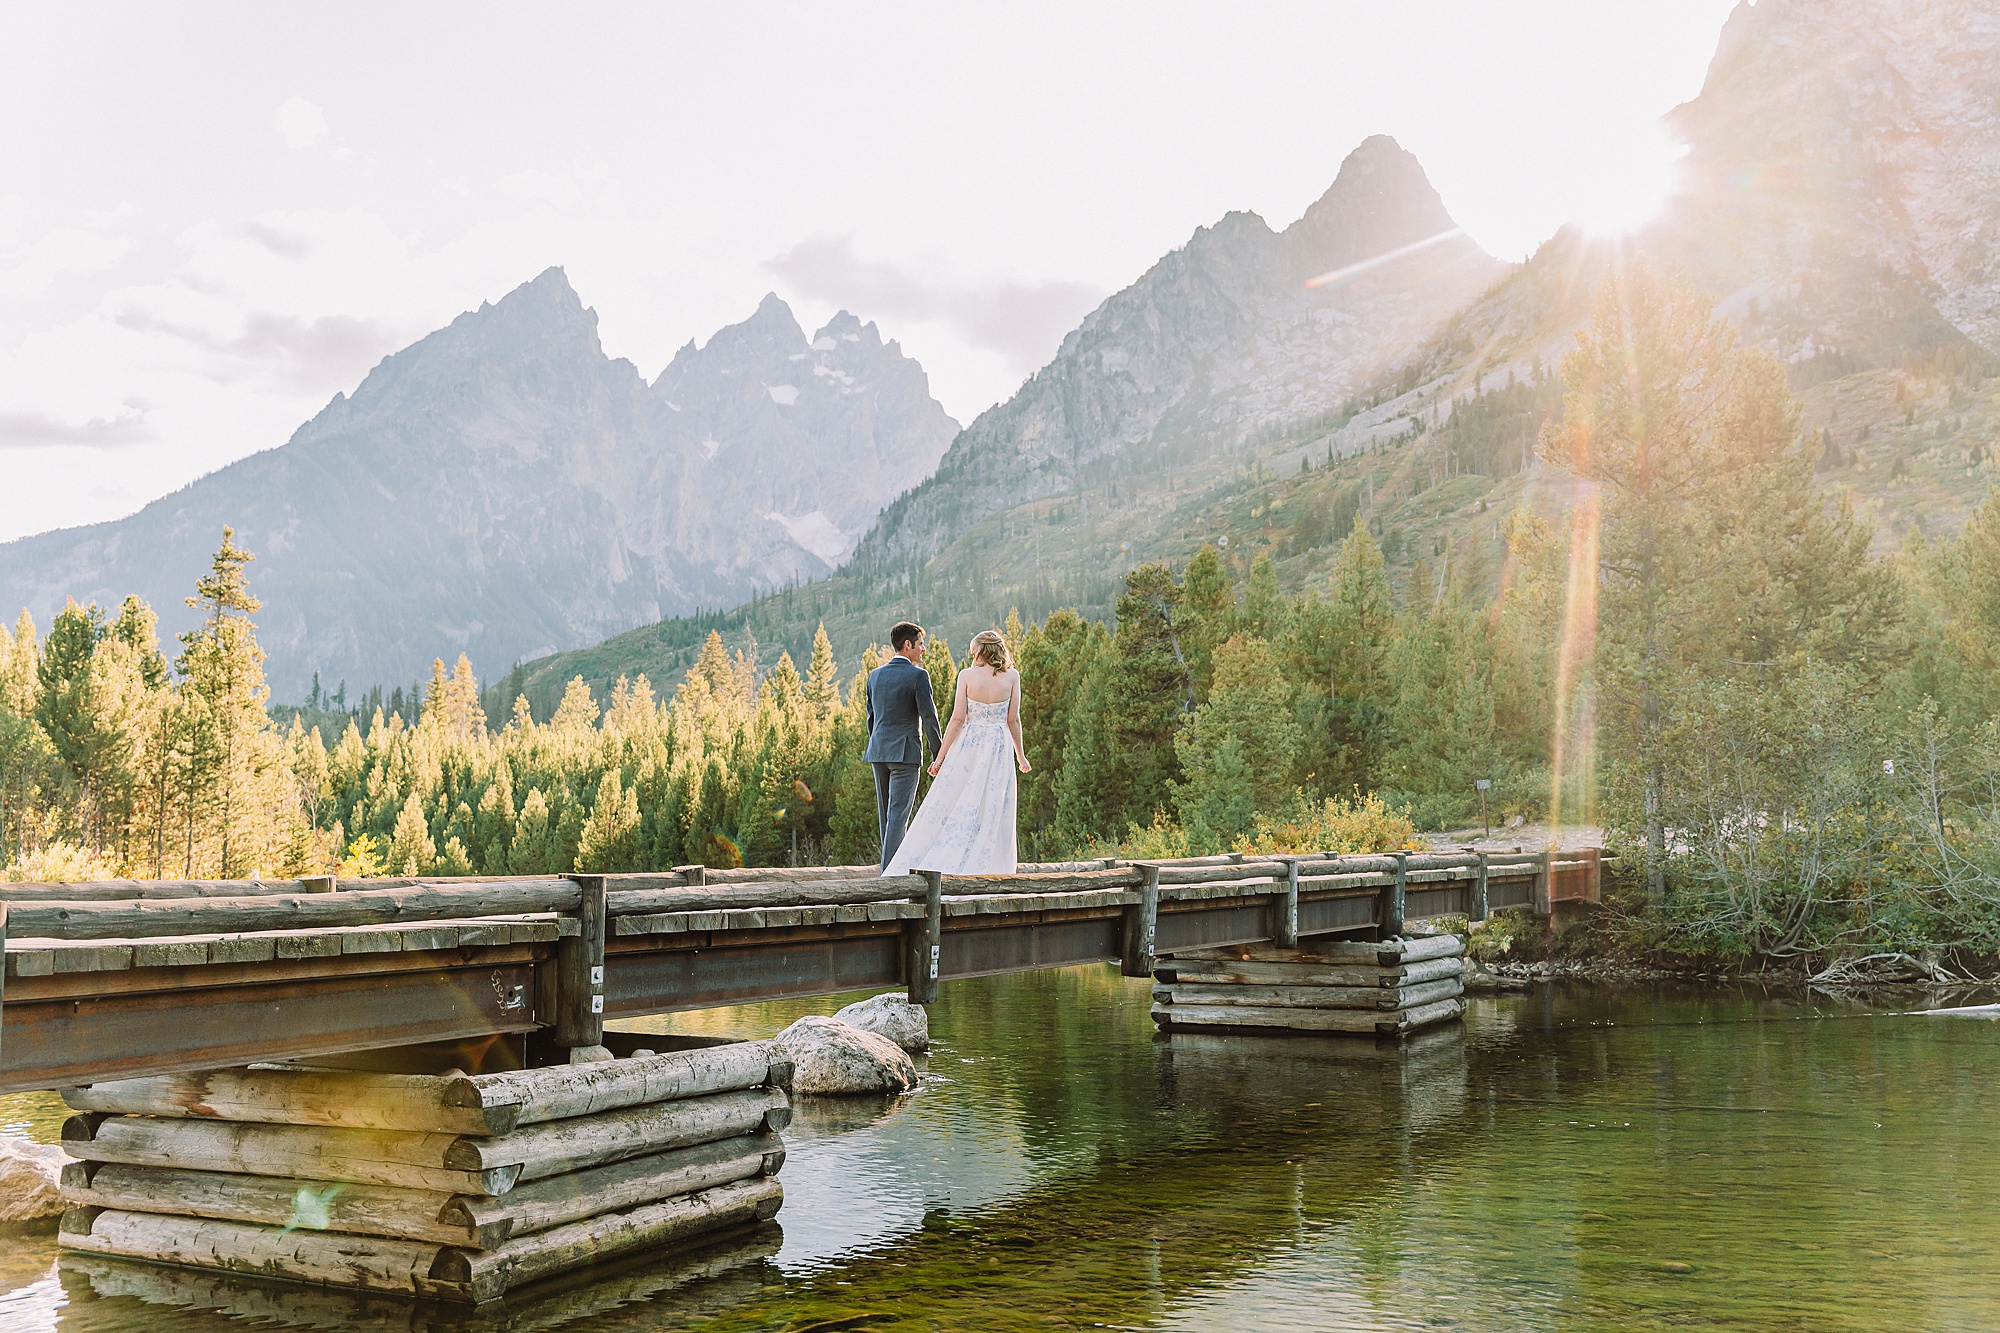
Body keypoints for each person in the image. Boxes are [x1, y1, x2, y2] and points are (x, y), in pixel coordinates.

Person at [883, 628, 1031, 876]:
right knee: (993, 803)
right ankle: (992, 866)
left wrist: (940, 758)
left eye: (974, 650)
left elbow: (957, 720)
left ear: (982, 650)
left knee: (957, 797)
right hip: (999, 746)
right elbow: (1013, 720)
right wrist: (1021, 755)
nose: (971, 654)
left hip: (970, 744)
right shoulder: (1012, 676)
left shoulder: (966, 676)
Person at [865, 621, 944, 873]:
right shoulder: (918, 676)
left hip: (878, 752)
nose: (924, 649)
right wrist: (939, 755)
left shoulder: (874, 675)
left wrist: (879, 744)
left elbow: (871, 718)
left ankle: (889, 870)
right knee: (898, 817)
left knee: (886, 818)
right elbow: (929, 718)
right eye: (921, 643)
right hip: (905, 754)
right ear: (907, 645)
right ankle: (889, 877)